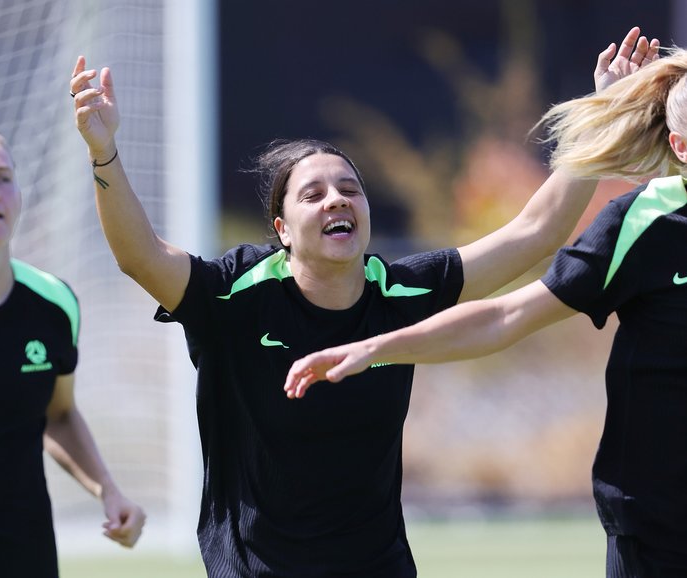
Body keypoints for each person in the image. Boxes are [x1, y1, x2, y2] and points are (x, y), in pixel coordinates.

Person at [70, 27, 657, 578]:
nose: (336, 200)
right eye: (314, 193)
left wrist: (603, 115)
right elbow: (140, 257)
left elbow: (534, 231)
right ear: (281, 227)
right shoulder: (235, 294)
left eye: (351, 189)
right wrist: (104, 153)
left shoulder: (398, 291)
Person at [282, 38, 687, 578]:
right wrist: (379, 346)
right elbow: (506, 315)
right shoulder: (645, 224)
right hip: (659, 527)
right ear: (680, 146)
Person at [0, 128, 146, 578]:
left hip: (23, 553)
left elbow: (57, 415)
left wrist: (108, 491)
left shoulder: (54, 303)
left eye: (3, 177)